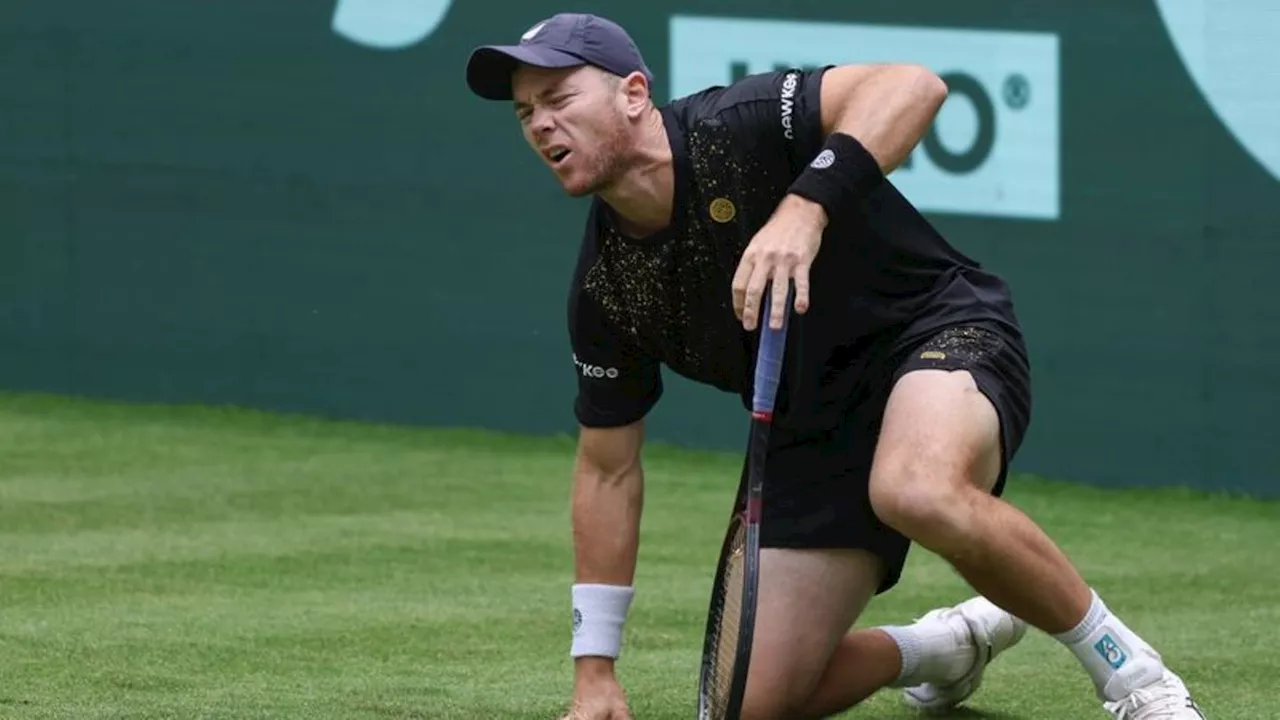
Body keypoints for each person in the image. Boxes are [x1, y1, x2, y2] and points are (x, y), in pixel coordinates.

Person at [465, 12, 1206, 720]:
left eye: (558, 98)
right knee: (751, 704)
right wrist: (595, 670)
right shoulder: (607, 289)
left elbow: (914, 85)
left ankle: (1134, 674)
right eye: (525, 113)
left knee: (913, 488)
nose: (539, 125)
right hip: (813, 425)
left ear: (633, 94)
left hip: (934, 333)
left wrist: (805, 208)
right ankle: (945, 645)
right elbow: (608, 471)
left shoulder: (734, 126)